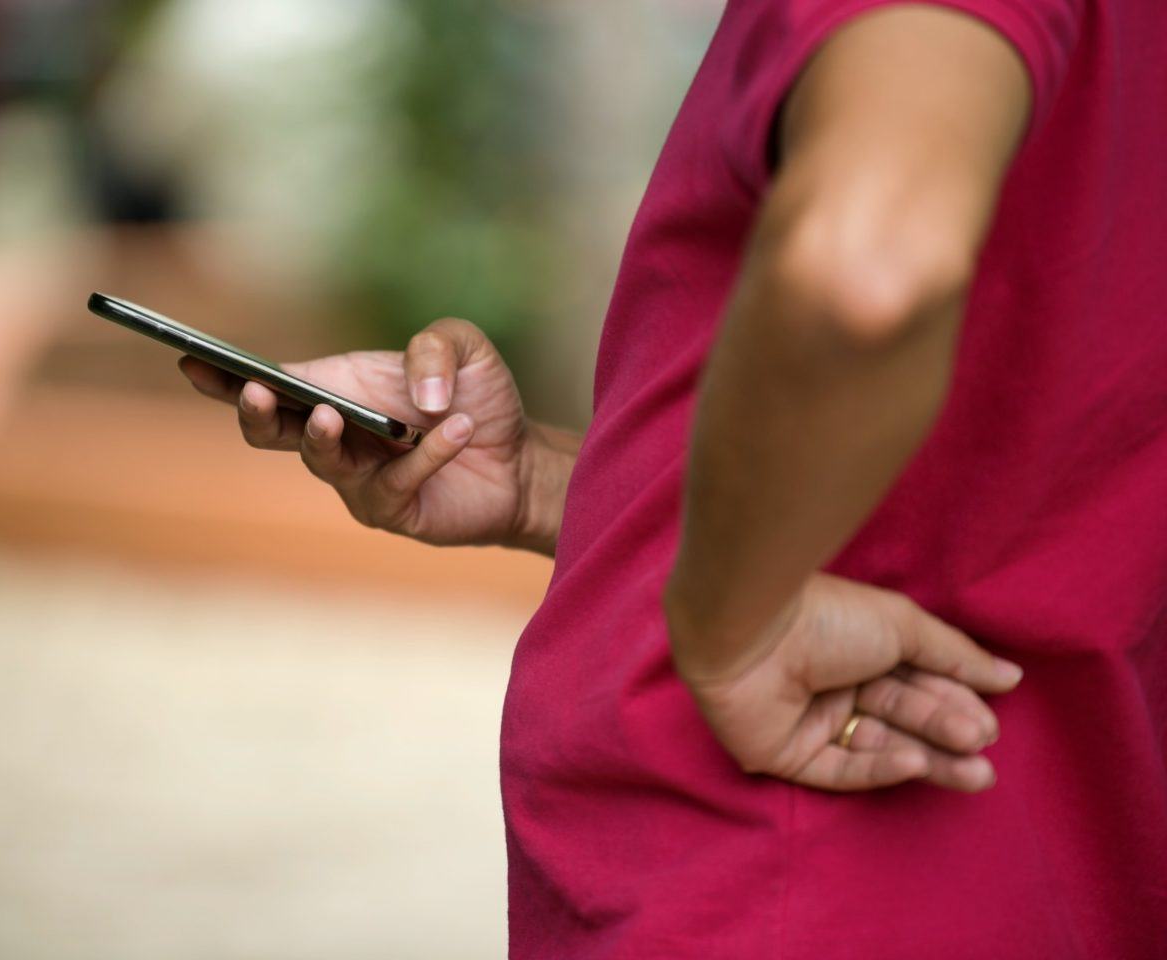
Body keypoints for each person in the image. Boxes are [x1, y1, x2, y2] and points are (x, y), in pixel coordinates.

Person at [180, 0, 1166, 955]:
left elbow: (866, 269)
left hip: (791, 870)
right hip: (1055, 862)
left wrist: (731, 626)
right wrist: (558, 486)